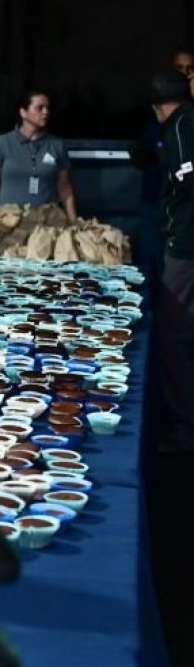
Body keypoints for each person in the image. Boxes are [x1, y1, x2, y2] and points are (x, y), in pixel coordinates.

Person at [151, 69, 194, 452]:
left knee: (173, 331)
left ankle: (185, 425)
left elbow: (187, 183)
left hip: (187, 244)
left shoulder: (180, 126)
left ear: (158, 108)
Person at [0, 90, 77, 219]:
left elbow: (64, 187)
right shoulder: (2, 143)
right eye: (39, 108)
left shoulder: (57, 145)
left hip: (46, 223)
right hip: (8, 221)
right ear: (23, 112)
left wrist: (74, 221)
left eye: (47, 108)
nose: (45, 112)